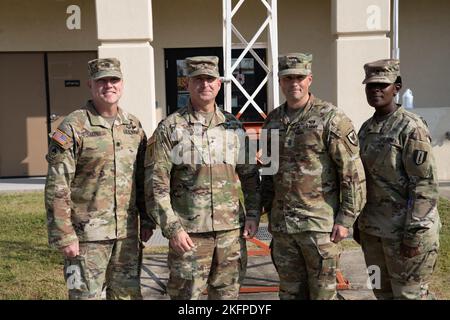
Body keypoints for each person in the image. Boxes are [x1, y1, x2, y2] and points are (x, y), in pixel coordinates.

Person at [144, 56, 261, 300]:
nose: (204, 85)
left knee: (227, 298)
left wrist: (252, 214)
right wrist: (173, 229)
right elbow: (156, 186)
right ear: (188, 84)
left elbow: (249, 176)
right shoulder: (170, 128)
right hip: (189, 235)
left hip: (230, 234)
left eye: (210, 79)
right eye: (198, 79)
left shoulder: (233, 127)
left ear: (219, 84)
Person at [45, 58, 155, 300]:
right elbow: (58, 184)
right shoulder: (74, 126)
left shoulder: (133, 127)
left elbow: (141, 179)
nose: (109, 85)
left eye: (114, 79)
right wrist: (64, 234)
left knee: (127, 295)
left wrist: (147, 219)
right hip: (87, 238)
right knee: (85, 296)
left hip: (126, 235)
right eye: (101, 80)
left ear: (122, 84)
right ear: (90, 85)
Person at [260, 53, 366, 300]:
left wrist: (346, 219)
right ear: (280, 82)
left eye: (299, 77)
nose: (294, 83)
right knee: (289, 293)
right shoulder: (273, 122)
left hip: (320, 227)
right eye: (288, 78)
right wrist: (259, 212)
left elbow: (351, 173)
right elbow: (268, 173)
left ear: (310, 79)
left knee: (322, 294)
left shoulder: (331, 118)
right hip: (283, 229)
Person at [356, 59, 440, 300]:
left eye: (383, 85)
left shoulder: (411, 128)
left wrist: (413, 233)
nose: (376, 90)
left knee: (409, 296)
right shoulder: (366, 129)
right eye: (370, 86)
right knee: (381, 292)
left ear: (397, 86)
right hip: (373, 233)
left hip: (405, 234)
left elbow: (424, 185)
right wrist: (358, 223)